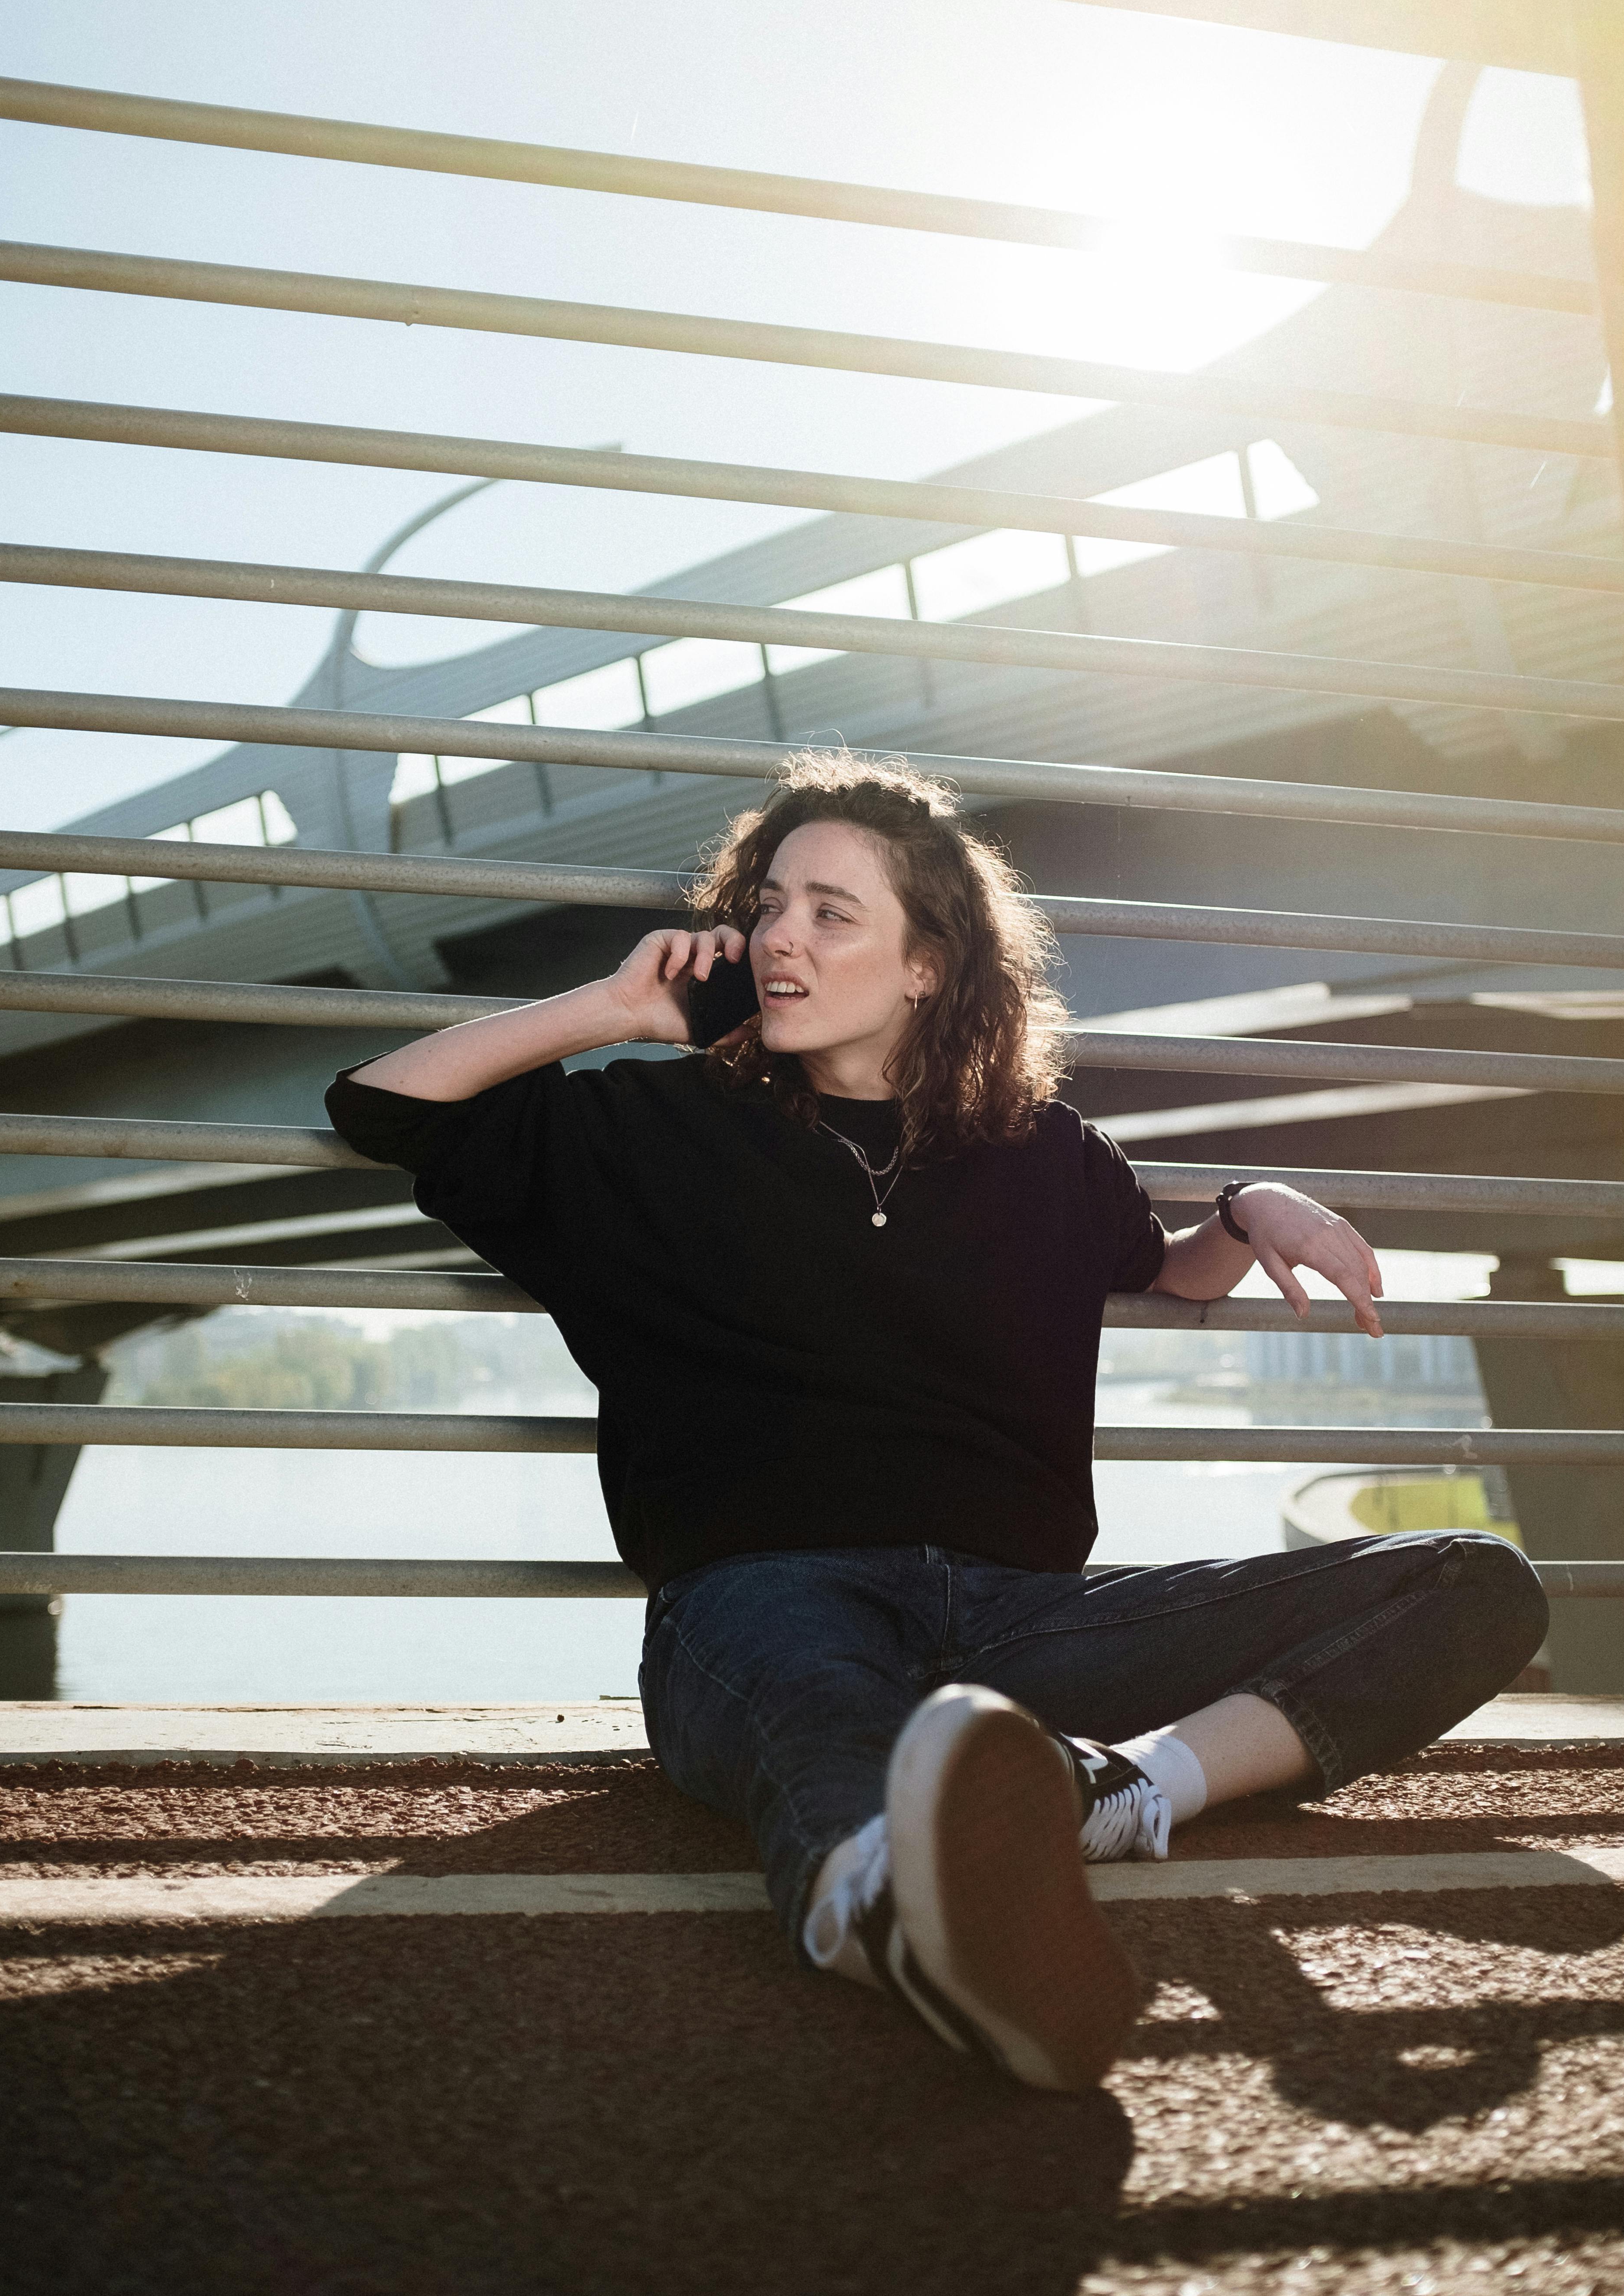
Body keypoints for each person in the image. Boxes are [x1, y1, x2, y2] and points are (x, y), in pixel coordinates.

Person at [326, 751, 1547, 2093]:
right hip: (760, 1604)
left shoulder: (1044, 1153)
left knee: (1475, 1583)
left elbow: (1163, 1268)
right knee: (824, 1708)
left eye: (832, 912)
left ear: (927, 966)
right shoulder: (645, 1129)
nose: (780, 934)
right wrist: (614, 1006)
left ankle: (1117, 1793)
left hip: (1025, 1631)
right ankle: (884, 1909)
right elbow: (384, 1105)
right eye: (769, 904)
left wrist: (1256, 1204)